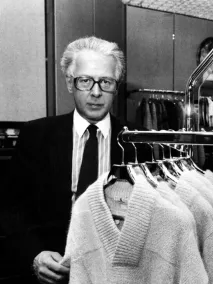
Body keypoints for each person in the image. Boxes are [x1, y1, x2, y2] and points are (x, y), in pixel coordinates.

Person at [10, 36, 141, 284]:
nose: (95, 92)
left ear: (116, 86)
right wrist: (34, 255)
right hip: (51, 274)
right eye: (85, 81)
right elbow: (12, 207)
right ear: (70, 83)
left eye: (105, 82)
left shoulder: (139, 142)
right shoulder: (36, 136)